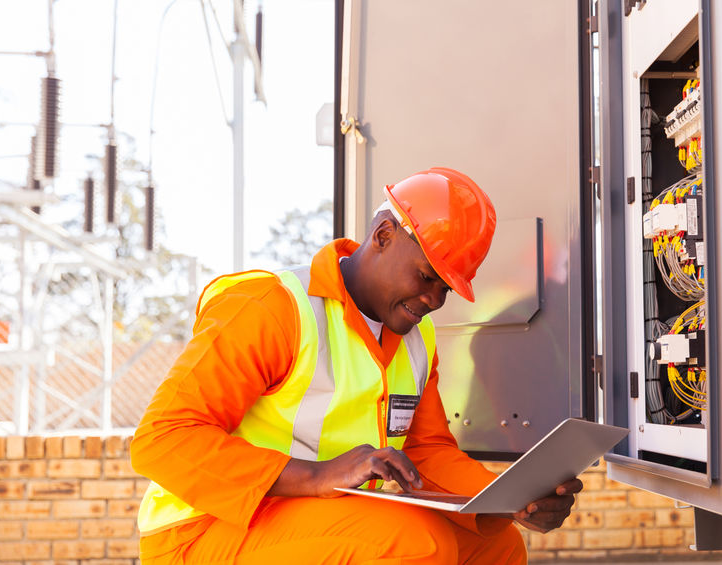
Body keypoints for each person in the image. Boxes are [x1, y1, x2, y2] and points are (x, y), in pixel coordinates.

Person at [130, 167, 583, 564]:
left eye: (446, 288)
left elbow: (425, 454)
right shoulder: (272, 307)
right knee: (412, 545)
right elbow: (162, 440)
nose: (433, 300)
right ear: (383, 235)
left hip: (313, 518)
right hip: (203, 531)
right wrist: (318, 476)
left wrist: (507, 501)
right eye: (427, 277)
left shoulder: (416, 337)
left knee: (498, 547)